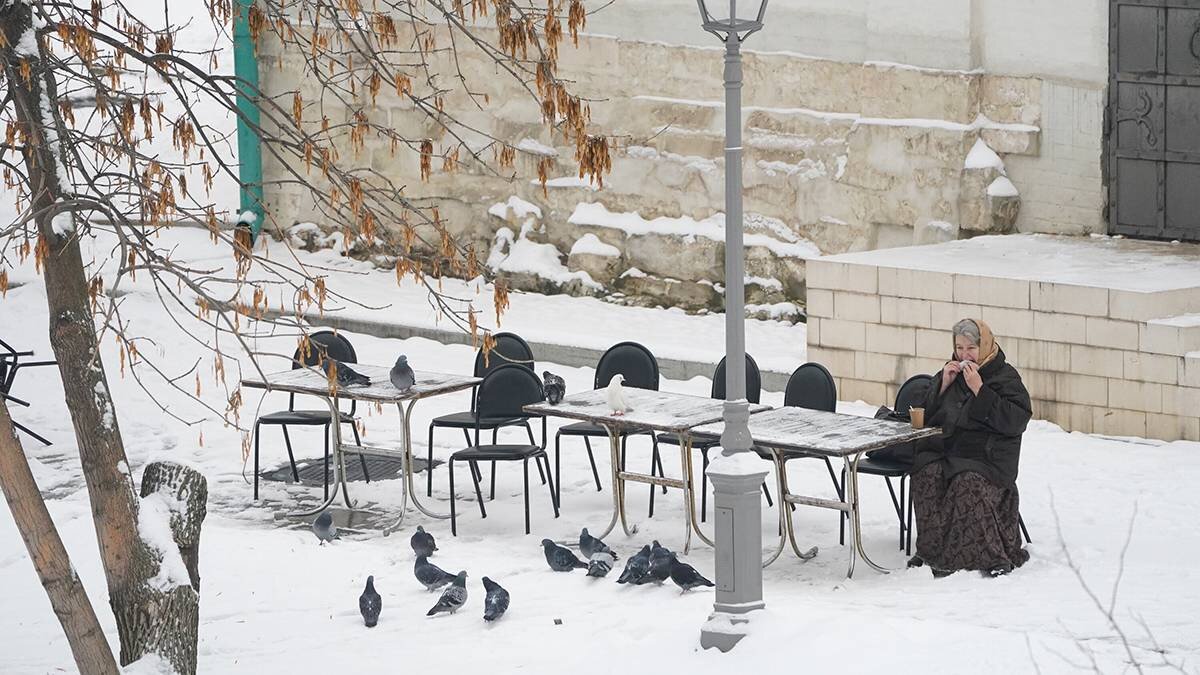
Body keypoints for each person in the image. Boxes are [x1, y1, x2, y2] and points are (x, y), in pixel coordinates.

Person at [909, 318, 1032, 577]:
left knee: (966, 481)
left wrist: (980, 390)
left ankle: (988, 556)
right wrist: (942, 385)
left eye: (971, 349)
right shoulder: (951, 373)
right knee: (926, 471)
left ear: (984, 346)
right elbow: (924, 414)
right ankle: (931, 551)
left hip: (989, 458)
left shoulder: (1006, 377)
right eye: (959, 348)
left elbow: (1016, 421)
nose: (964, 355)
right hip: (953, 452)